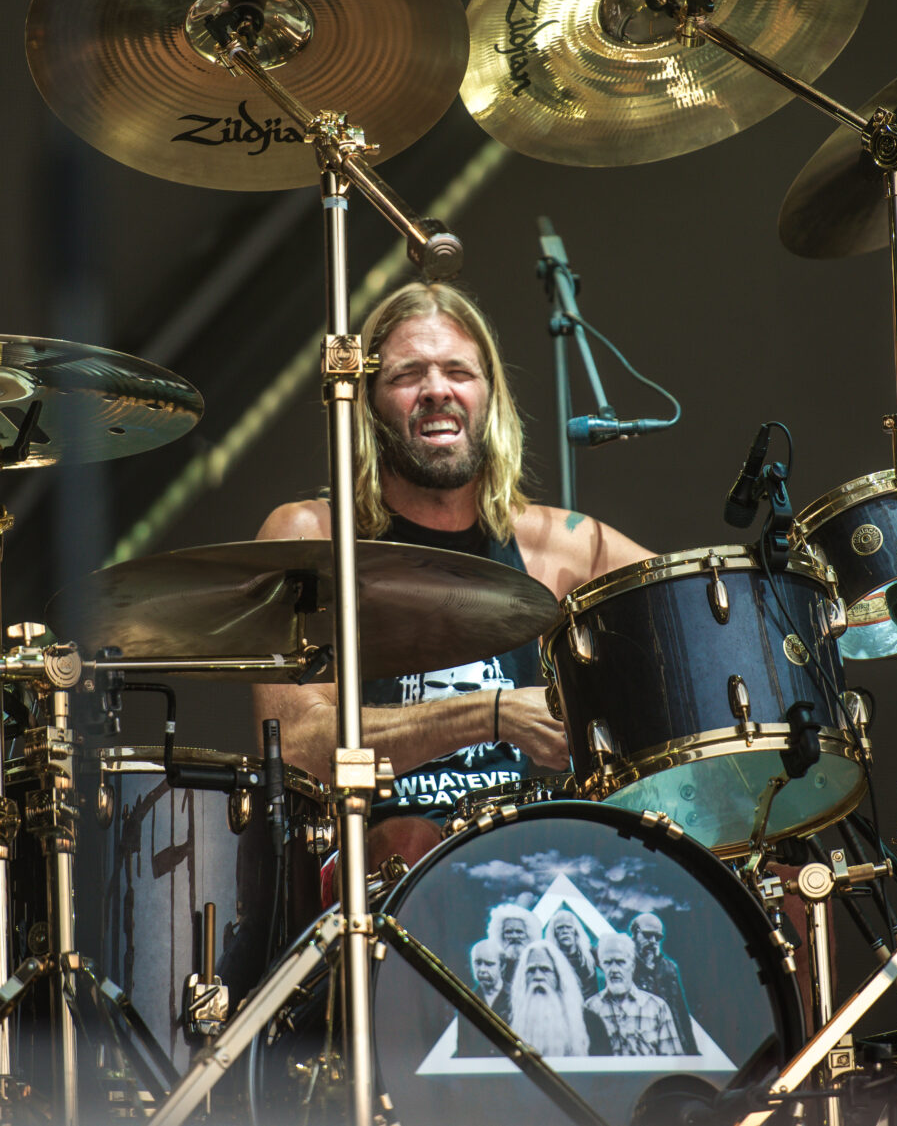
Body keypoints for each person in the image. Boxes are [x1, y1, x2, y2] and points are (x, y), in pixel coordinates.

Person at [252, 280, 655, 867]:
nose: (437, 389)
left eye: (459, 372)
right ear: (367, 403)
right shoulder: (309, 537)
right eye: (407, 374)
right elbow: (295, 747)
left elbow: (698, 611)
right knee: (409, 839)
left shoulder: (562, 545)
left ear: (491, 396)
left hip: (534, 857)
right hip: (377, 871)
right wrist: (490, 714)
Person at [582, 933, 683, 1058]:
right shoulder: (590, 1009)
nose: (614, 970)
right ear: (601, 966)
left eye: (620, 962)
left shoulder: (657, 1008)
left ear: (632, 966)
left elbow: (673, 1061)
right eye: (607, 963)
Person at [627, 912, 698, 1055]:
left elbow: (681, 1012)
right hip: (639, 1047)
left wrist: (691, 1051)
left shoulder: (669, 968)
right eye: (647, 935)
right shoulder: (624, 966)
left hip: (669, 1044)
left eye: (658, 937)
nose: (653, 941)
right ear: (634, 934)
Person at [507, 942, 589, 1058]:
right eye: (531, 970)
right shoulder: (506, 1023)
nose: (538, 977)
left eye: (545, 969)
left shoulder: (590, 1021)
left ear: (559, 977)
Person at [548, 908, 600, 1001]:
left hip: (591, 1005)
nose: (565, 931)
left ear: (576, 931)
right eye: (560, 928)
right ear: (554, 933)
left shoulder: (589, 953)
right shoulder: (550, 958)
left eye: (568, 927)